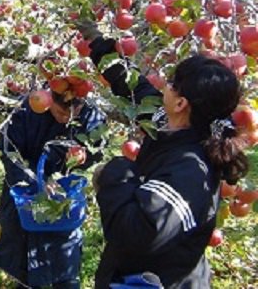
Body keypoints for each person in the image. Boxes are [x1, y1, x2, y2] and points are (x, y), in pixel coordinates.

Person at [80, 23, 250, 288]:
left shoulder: (192, 170)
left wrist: (116, 174)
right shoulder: (168, 124)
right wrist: (99, 44)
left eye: (171, 83)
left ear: (181, 104)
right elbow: (135, 87)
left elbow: (135, 233)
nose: (165, 87)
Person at [0, 89, 106, 288]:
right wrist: (34, 182)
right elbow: (9, 152)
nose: (65, 119)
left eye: (72, 115)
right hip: (23, 195)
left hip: (63, 197)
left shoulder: (89, 114)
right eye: (61, 113)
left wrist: (80, 158)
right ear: (50, 99)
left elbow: (97, 146)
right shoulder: (25, 109)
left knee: (64, 266)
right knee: (24, 267)